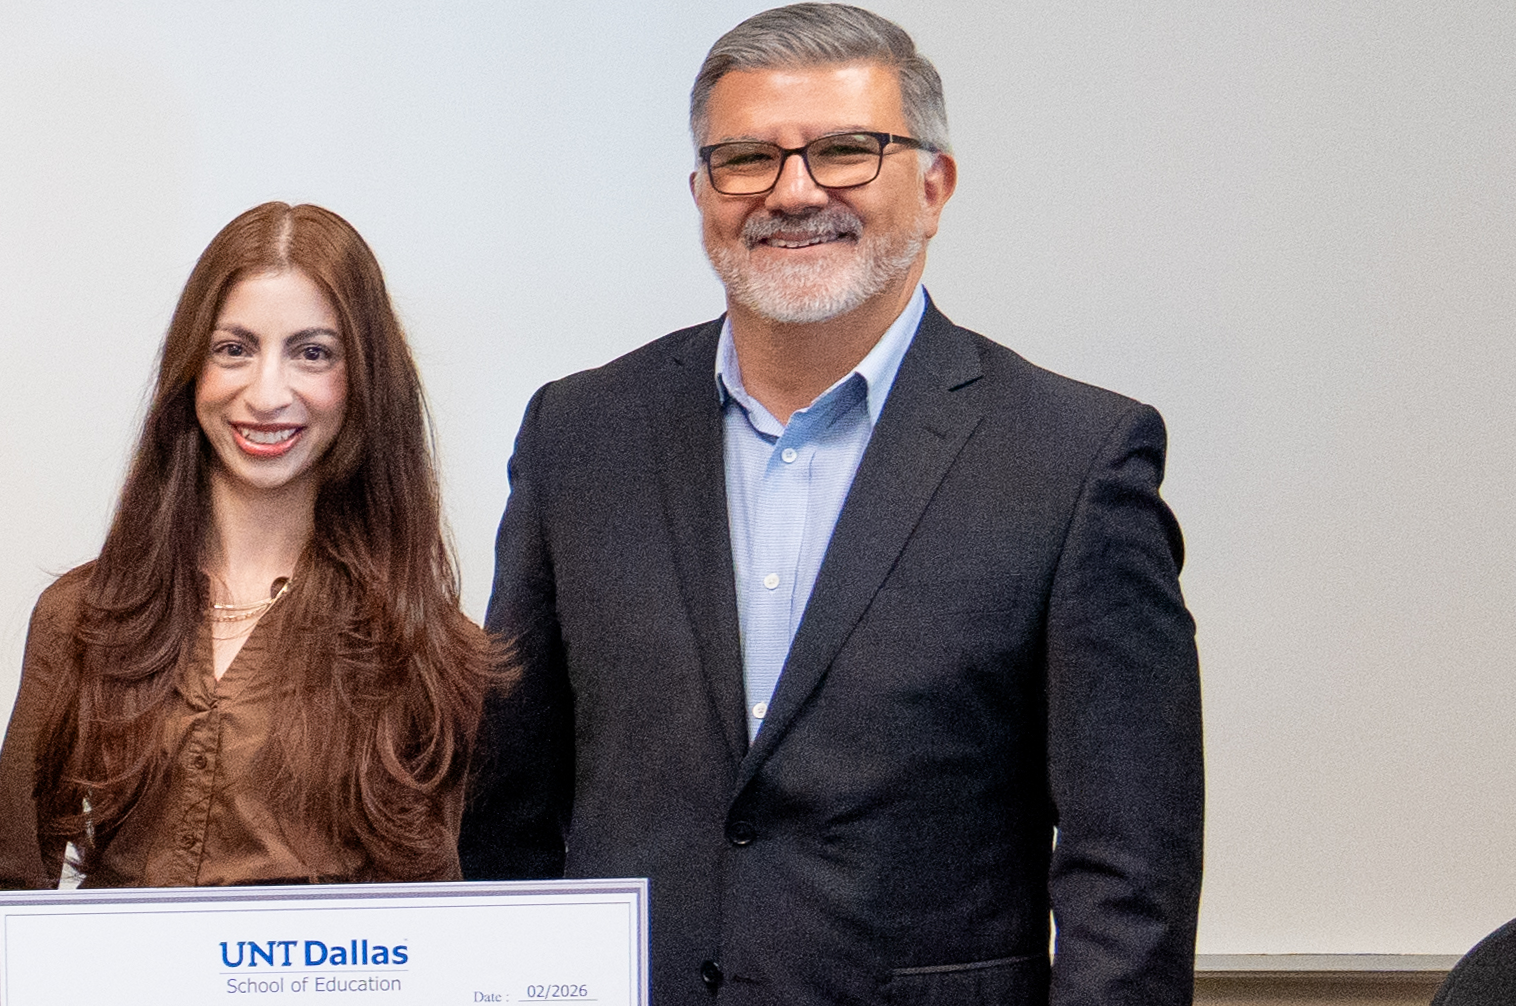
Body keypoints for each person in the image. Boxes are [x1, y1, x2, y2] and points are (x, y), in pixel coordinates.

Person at [465, 6, 1196, 1003]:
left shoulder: (1071, 461)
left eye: (845, 152)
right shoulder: (579, 436)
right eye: (745, 160)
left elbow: (1128, 876)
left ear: (932, 186)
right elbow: (507, 808)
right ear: (699, 193)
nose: (793, 191)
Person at [0, 203, 502, 891]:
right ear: (192, 367)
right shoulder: (79, 616)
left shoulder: (427, 650)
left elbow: (436, 939)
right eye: (235, 348)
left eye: (312, 353)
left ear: (364, 380)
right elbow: (4, 901)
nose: (266, 393)